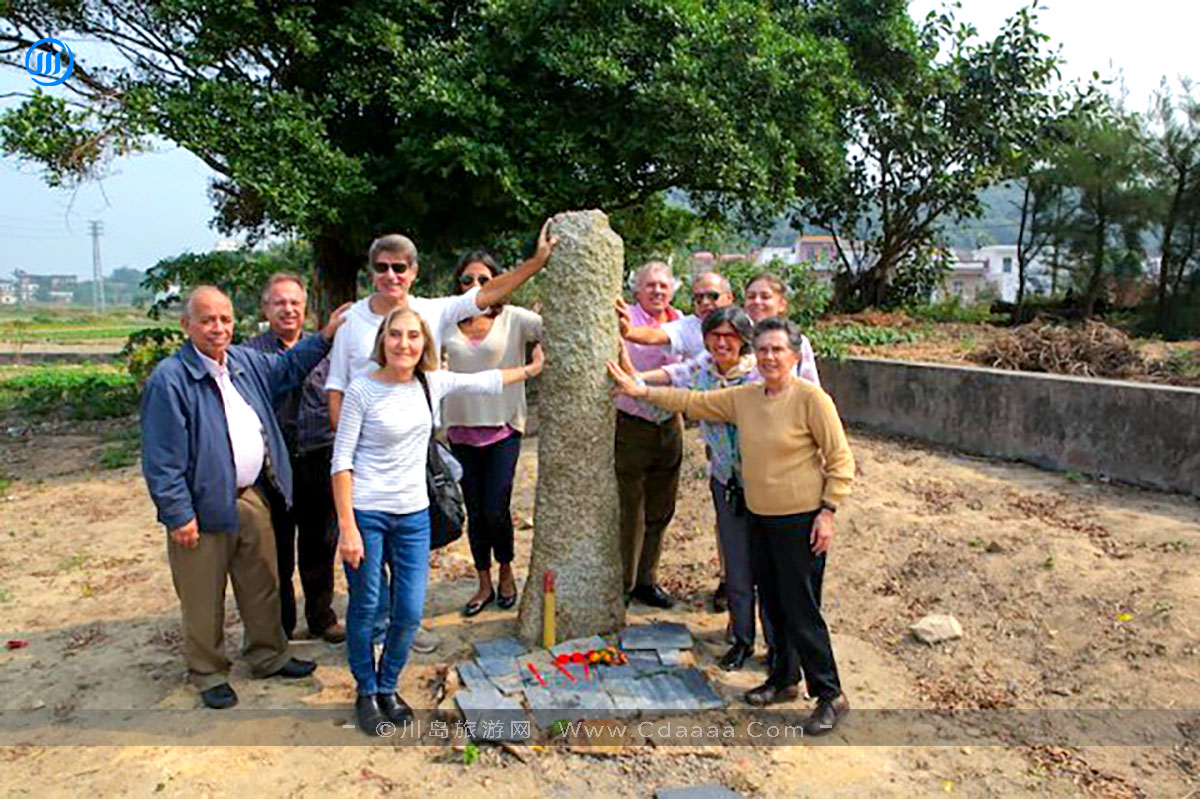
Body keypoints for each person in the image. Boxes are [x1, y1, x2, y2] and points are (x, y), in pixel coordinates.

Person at [606, 316, 855, 735]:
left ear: (795, 355)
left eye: (779, 350)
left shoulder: (812, 399)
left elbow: (841, 460)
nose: (770, 357)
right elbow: (692, 403)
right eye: (764, 349)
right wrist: (640, 391)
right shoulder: (746, 398)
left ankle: (830, 694)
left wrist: (828, 511)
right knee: (773, 604)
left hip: (801, 520)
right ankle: (783, 679)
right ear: (754, 356)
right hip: (759, 516)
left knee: (801, 609)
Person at [325, 219, 559, 652]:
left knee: (406, 547)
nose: (391, 276)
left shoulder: (431, 311)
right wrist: (349, 447)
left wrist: (538, 262)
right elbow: (336, 388)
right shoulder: (353, 322)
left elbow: (486, 296)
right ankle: (374, 637)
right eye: (382, 268)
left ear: (413, 271)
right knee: (367, 557)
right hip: (363, 461)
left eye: (400, 268)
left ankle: (401, 629)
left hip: (416, 456)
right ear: (370, 271)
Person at [331, 307, 542, 735]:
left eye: (413, 336)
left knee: (408, 612)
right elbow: (341, 461)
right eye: (395, 335)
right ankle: (366, 691)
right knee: (368, 605)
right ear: (383, 341)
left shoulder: (430, 383)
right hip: (367, 513)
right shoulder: (361, 390)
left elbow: (485, 380)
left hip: (413, 515)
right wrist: (348, 526)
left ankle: (389, 686)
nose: (404, 343)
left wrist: (533, 368)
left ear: (424, 343)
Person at [141, 286, 350, 710]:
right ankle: (207, 671)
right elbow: (161, 458)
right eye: (207, 320)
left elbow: (288, 367)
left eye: (225, 319)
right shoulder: (171, 379)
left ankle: (268, 655)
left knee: (262, 584)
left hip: (252, 495)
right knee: (203, 594)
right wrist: (178, 514)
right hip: (200, 506)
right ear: (187, 326)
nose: (218, 328)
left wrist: (325, 335)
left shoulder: (242, 362)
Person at [622, 305, 773, 671]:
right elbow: (668, 377)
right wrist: (629, 370)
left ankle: (778, 645)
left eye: (730, 336)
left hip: (767, 483)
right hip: (727, 480)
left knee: (768, 567)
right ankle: (740, 638)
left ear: (744, 340)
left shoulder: (758, 377)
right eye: (714, 336)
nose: (722, 343)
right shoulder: (702, 368)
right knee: (736, 564)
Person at [440, 250, 543, 616]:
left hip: (502, 428)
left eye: (484, 279)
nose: (476, 287)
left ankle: (506, 571)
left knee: (496, 508)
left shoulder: (515, 319)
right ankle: (483, 582)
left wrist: (538, 361)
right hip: (460, 432)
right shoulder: (448, 322)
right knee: (475, 511)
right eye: (467, 280)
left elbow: (555, 328)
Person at [245, 273, 345, 644]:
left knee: (321, 544)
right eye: (279, 303)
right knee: (278, 552)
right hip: (275, 466)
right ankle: (281, 626)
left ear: (305, 308)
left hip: (320, 459)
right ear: (266, 309)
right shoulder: (251, 356)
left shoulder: (327, 351)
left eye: (294, 303)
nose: (288, 309)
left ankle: (321, 617)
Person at [613, 261, 686, 608]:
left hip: (670, 424)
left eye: (663, 285)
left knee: (662, 507)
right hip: (632, 423)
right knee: (631, 509)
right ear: (637, 290)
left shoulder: (682, 321)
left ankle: (647, 580)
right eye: (650, 285)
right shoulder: (625, 317)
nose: (657, 291)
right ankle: (624, 584)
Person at [616, 270, 734, 359]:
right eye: (699, 298)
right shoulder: (688, 327)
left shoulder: (744, 323)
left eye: (712, 296)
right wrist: (629, 332)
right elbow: (654, 335)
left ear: (729, 298)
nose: (705, 302)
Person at [742, 272, 820, 386]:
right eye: (751, 296)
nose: (757, 301)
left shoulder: (797, 341)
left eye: (765, 297)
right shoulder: (735, 339)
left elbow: (811, 386)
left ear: (782, 305)